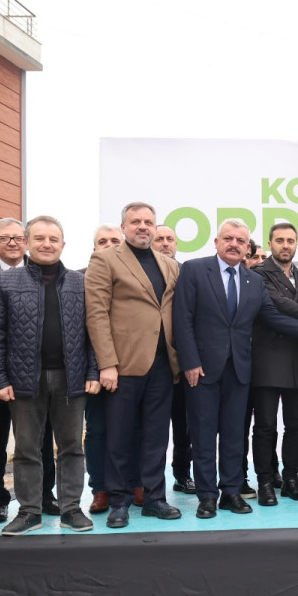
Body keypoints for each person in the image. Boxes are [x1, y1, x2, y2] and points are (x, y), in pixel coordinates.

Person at [173, 218, 298, 519]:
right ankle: (207, 497)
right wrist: (190, 362)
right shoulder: (194, 270)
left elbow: (273, 316)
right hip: (202, 369)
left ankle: (231, 493)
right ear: (217, 242)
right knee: (204, 435)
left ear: (247, 247)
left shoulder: (252, 280)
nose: (234, 244)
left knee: (235, 435)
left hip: (240, 369)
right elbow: (181, 319)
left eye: (240, 241)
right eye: (228, 238)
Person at [0, 216, 100, 535]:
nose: (46, 244)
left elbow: (93, 332)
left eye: (53, 239)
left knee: (72, 447)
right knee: (26, 449)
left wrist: (93, 370)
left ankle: (71, 509)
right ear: (27, 242)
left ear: (63, 244)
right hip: (23, 381)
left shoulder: (80, 283)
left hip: (71, 379)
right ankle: (29, 511)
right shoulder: (4, 283)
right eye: (39, 238)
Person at [85, 201, 180, 529]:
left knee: (156, 437)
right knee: (119, 437)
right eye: (135, 221)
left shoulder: (168, 264)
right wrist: (107, 364)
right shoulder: (105, 260)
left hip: (162, 364)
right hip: (123, 365)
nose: (143, 227)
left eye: (148, 222)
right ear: (123, 227)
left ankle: (154, 498)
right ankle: (119, 501)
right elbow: (97, 314)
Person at [0, 218, 57, 524]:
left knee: (41, 440)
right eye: (4, 238)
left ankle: (44, 494)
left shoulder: (44, 274)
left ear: (26, 241)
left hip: (36, 376)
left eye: (17, 237)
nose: (12, 243)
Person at [252, 222, 298, 501]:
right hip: (268, 361)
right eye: (280, 240)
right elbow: (278, 307)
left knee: (297, 426)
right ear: (270, 243)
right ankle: (265, 482)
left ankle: (291, 479)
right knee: (265, 426)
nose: (285, 245)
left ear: (297, 244)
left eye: (290, 240)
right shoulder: (258, 274)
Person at [82, 224, 136, 514]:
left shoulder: (135, 279)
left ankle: (136, 483)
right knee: (97, 431)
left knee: (134, 429)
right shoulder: (79, 279)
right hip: (94, 372)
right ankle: (100, 489)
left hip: (131, 367)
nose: (109, 245)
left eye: (115, 240)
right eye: (102, 241)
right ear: (94, 249)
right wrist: (96, 368)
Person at [151, 224, 194, 496]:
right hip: (150, 362)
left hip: (182, 361)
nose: (165, 243)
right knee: (152, 428)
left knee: (184, 426)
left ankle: (182, 474)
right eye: (160, 239)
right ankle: (149, 482)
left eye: (170, 239)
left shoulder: (187, 273)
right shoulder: (142, 271)